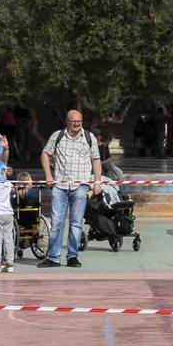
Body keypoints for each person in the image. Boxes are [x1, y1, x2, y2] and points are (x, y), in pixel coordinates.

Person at [39, 109, 103, 269]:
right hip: (60, 186)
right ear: (67, 121)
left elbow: (96, 160)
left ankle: (72, 256)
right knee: (57, 223)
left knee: (76, 223)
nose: (76, 124)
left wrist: (97, 182)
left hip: (80, 186)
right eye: (73, 121)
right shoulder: (57, 136)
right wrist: (48, 175)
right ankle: (53, 257)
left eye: (79, 121)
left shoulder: (89, 137)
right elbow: (45, 153)